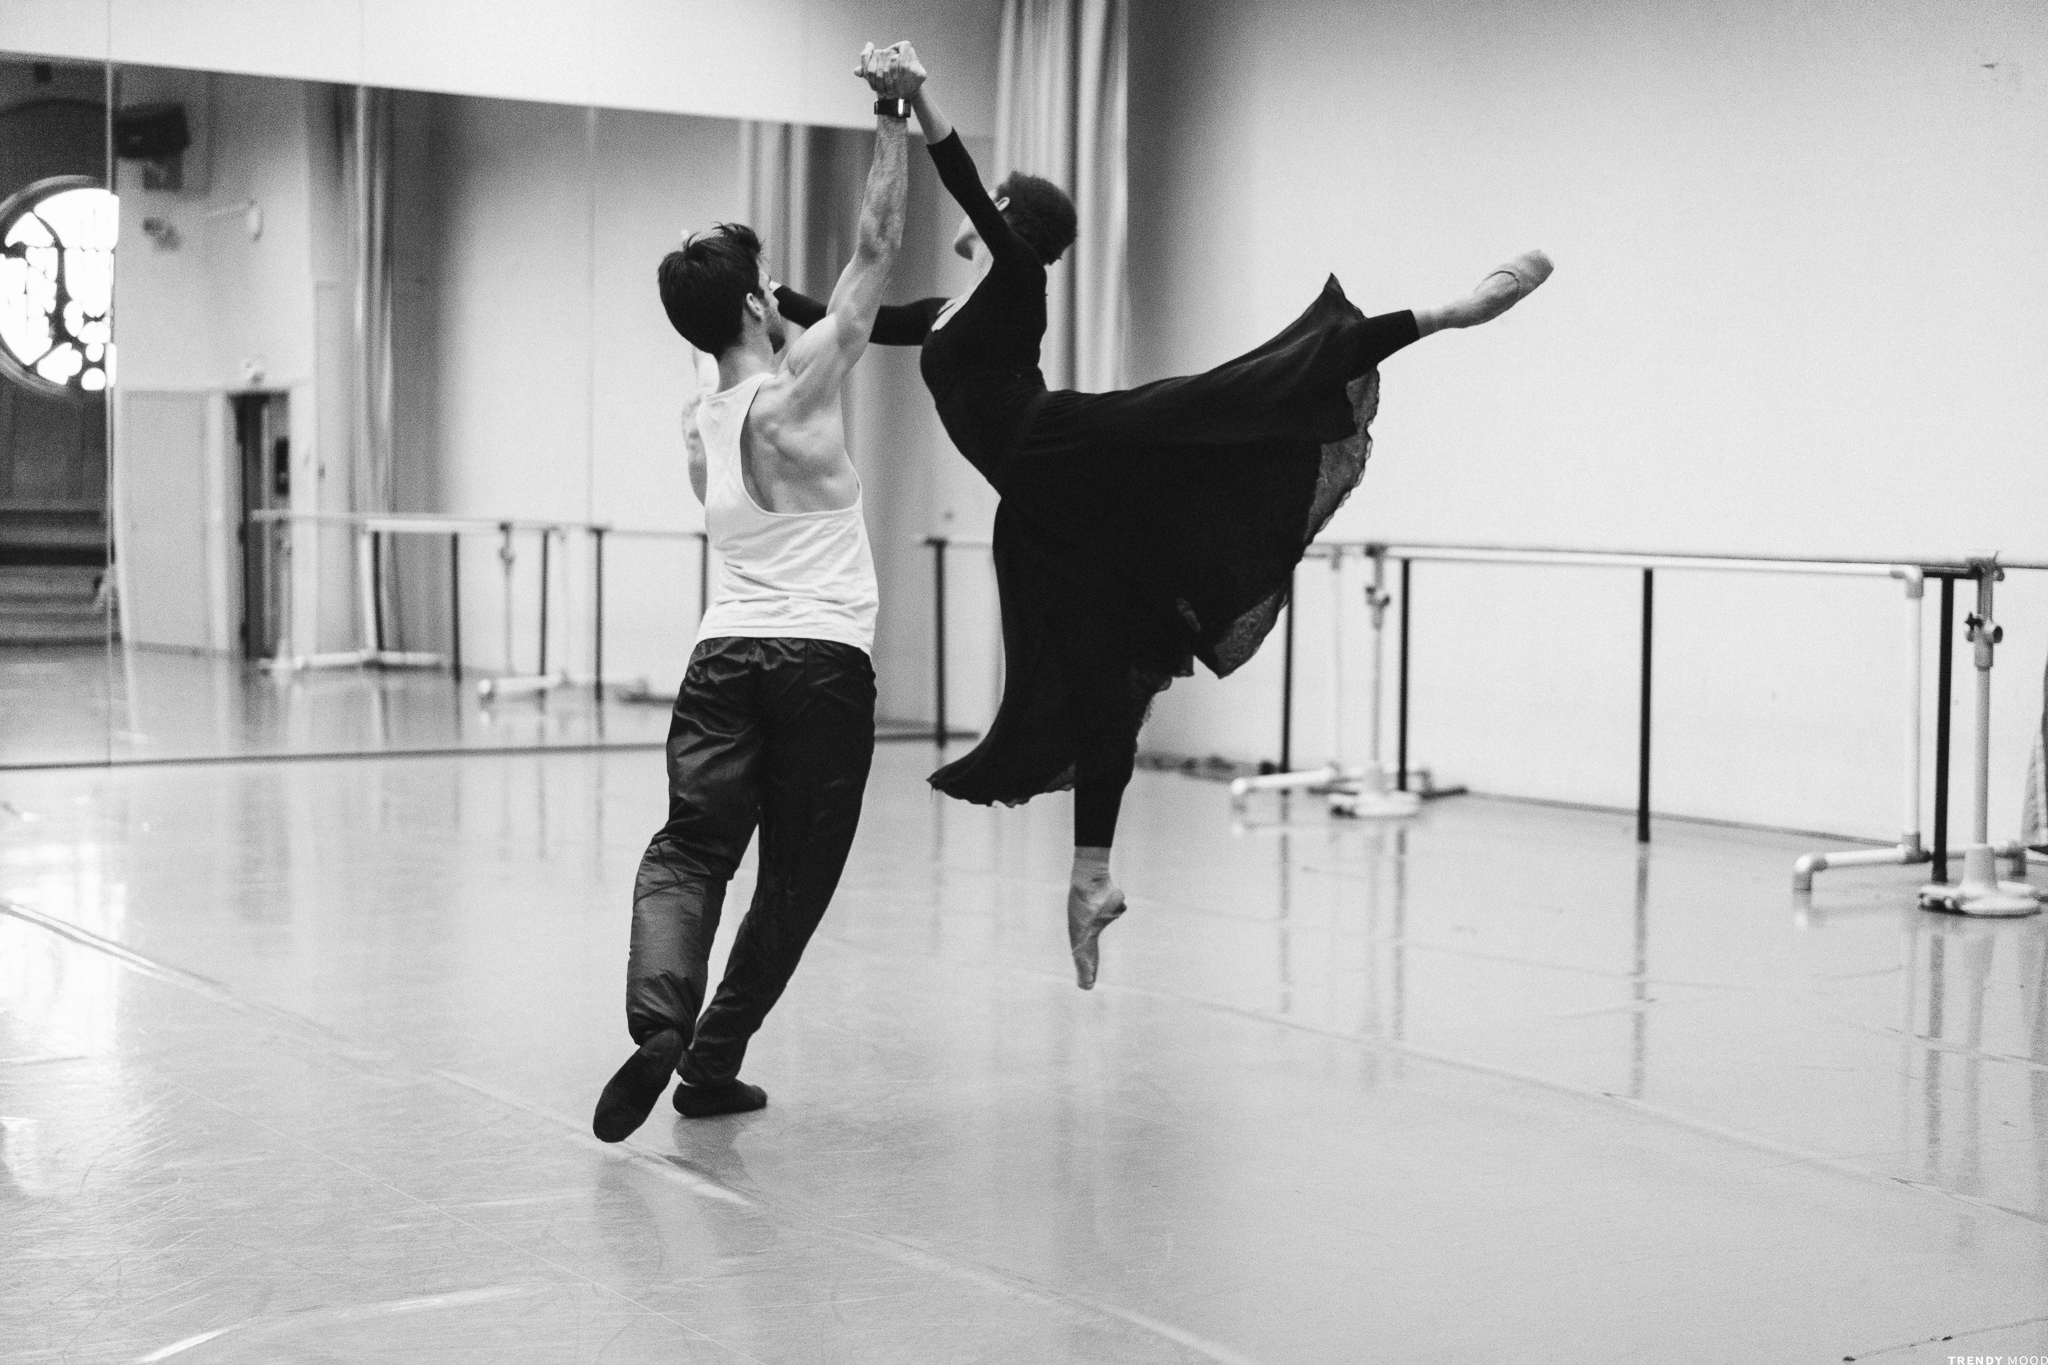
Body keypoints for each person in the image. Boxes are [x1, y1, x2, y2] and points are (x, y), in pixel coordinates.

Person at [777, 43, 1551, 992]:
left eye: (998, 214)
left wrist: (918, 99)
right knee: (1100, 671)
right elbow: (840, 317)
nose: (978, 223)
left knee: (1226, 398)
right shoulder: (943, 311)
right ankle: (1092, 874)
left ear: (1014, 226)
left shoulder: (1020, 279)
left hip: (1064, 445)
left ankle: (1442, 314)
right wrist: (764, 291)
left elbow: (966, 184)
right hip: (1038, 509)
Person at [590, 48, 922, 1142]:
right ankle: (716, 1054)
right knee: (795, 876)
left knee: (689, 849)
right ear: (751, 303)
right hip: (822, 663)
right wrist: (892, 108)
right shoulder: (800, 389)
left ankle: (660, 1020)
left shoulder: (701, 419)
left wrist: (723, 293)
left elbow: (706, 346)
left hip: (722, 656)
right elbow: (874, 251)